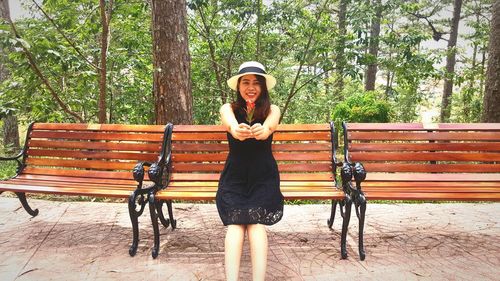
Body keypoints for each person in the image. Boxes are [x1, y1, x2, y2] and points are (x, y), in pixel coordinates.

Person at [216, 61, 284, 281]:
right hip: (235, 178)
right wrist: (237, 129)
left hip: (263, 177)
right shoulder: (228, 108)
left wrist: (262, 130)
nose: (251, 87)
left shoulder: (273, 109)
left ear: (263, 87)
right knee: (236, 225)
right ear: (238, 86)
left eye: (256, 82)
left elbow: (269, 127)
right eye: (246, 82)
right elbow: (230, 125)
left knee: (255, 224)